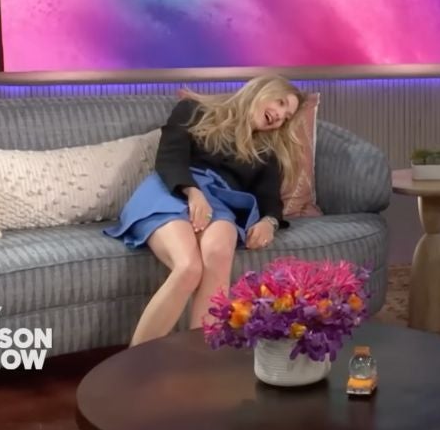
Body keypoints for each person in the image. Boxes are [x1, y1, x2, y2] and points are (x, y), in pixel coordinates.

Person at [104, 75, 304, 346]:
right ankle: (133, 364)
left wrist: (270, 222)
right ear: (259, 91)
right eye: (279, 103)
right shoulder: (193, 110)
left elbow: (270, 199)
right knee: (188, 268)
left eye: (286, 116)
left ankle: (199, 361)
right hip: (172, 188)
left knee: (220, 251)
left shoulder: (267, 151)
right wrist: (192, 191)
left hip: (220, 202)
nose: (279, 115)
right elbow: (170, 157)